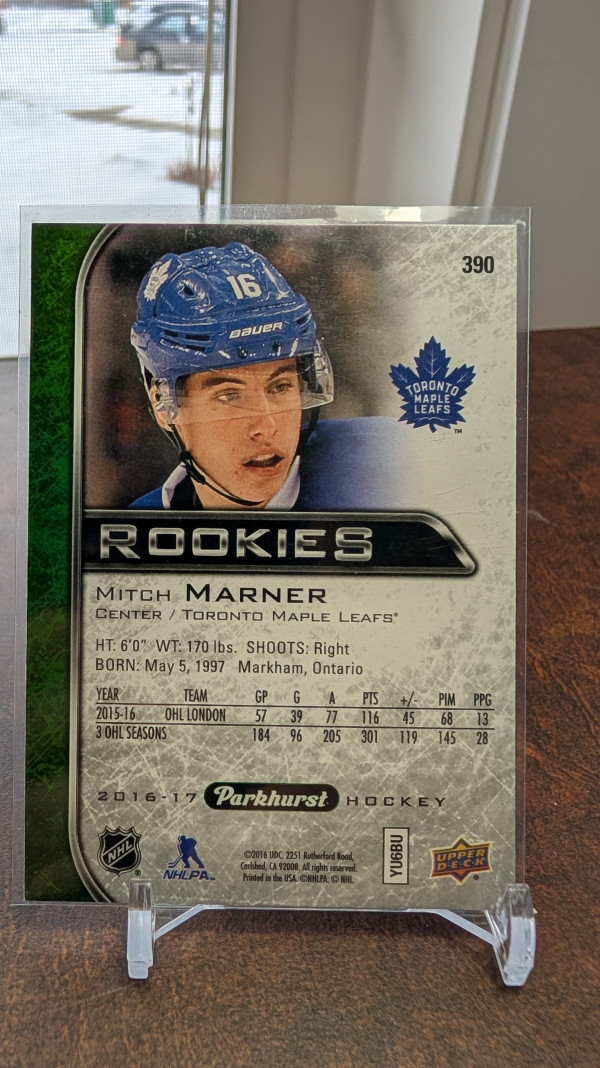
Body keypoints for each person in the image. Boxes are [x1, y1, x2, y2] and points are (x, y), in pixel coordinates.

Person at [129, 241, 402, 510]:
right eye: (229, 395)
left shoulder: (388, 461)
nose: (267, 426)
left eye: (280, 387)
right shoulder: (139, 525)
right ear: (163, 405)